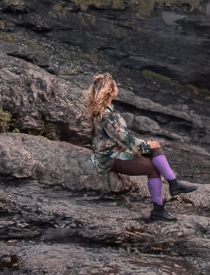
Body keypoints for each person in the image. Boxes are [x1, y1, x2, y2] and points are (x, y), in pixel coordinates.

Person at [84, 72, 197, 222]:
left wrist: (148, 146)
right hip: (110, 158)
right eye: (115, 86)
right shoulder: (109, 116)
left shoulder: (100, 112)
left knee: (155, 149)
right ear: (110, 92)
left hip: (113, 151)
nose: (118, 88)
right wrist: (146, 145)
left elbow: (123, 139)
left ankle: (173, 184)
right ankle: (160, 207)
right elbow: (127, 140)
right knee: (153, 167)